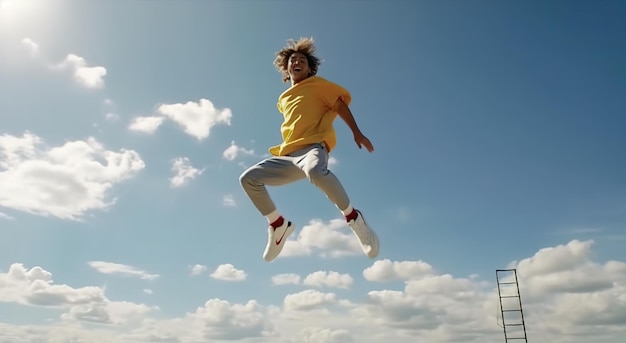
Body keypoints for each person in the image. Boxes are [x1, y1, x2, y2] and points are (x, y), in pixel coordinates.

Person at [239, 37, 379, 262]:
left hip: (313, 148)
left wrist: (356, 131)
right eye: (293, 60)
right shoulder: (283, 98)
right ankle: (278, 225)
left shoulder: (317, 85)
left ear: (309, 68)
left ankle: (354, 219)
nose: (297, 62)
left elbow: (339, 104)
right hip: (288, 157)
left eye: (302, 60)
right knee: (248, 179)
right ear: (287, 68)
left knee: (315, 171)